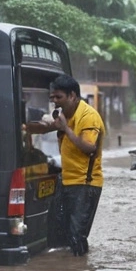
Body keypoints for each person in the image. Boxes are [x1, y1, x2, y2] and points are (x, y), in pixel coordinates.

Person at [24, 74, 105, 256]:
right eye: (52, 97)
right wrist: (23, 126)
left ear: (72, 96)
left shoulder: (88, 116)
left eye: (58, 97)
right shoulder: (65, 114)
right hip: (66, 180)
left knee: (76, 236)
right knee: (57, 234)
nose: (54, 101)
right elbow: (45, 128)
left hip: (85, 184)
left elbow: (89, 147)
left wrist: (66, 129)